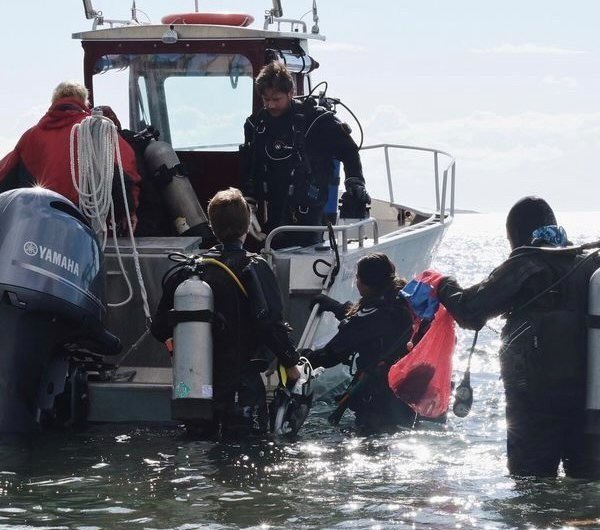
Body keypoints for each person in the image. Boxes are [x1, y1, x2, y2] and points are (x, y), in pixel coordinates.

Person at [436, 196, 600, 479]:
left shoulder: (526, 264)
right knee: (589, 483)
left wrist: (443, 285)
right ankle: (590, 521)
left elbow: (470, 312)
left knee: (531, 484)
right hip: (596, 397)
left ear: (516, 234)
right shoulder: (594, 265)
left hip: (536, 400)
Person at [150, 188, 300, 438]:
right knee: (245, 459)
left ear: (212, 225)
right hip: (243, 390)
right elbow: (271, 322)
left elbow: (158, 327)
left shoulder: (190, 270)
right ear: (245, 227)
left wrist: (180, 345)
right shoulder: (254, 267)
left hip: (197, 389)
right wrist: (290, 362)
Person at [240, 61, 370, 249]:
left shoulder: (317, 120)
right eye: (266, 100)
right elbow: (250, 166)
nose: (270, 105)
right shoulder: (256, 126)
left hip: (311, 212)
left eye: (276, 99)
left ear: (291, 93)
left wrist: (355, 181)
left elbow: (349, 151)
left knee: (307, 248)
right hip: (273, 209)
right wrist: (248, 206)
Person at [0, 81, 142, 231]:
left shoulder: (31, 136)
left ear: (54, 102)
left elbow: (0, 180)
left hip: (41, 225)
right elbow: (124, 171)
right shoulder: (97, 130)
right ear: (84, 102)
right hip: (85, 226)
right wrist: (128, 211)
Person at [304, 253, 417, 432]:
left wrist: (300, 358)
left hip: (377, 404)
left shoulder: (370, 316)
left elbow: (332, 354)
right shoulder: (402, 302)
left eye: (358, 278)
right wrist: (335, 307)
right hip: (406, 398)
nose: (356, 282)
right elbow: (366, 323)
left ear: (366, 283)